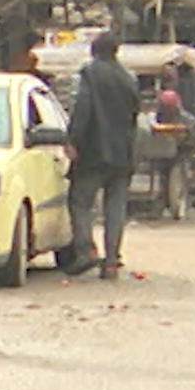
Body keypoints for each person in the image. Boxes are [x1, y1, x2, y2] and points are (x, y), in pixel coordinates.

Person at [65, 32, 139, 279]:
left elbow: (83, 108)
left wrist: (73, 139)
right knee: (115, 208)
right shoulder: (128, 78)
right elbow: (134, 114)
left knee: (80, 202)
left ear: (93, 51)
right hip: (123, 152)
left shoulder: (89, 73)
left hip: (94, 151)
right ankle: (111, 261)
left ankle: (86, 251)